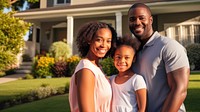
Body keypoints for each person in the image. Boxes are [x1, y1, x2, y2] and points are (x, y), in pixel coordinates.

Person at [128, 3, 190, 112]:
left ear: (151, 20)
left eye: (142, 18)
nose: (137, 22)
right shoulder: (133, 52)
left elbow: (179, 90)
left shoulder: (169, 46)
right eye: (132, 19)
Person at [69, 21, 117, 112]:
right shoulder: (86, 69)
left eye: (108, 41)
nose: (104, 45)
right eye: (99, 40)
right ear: (89, 40)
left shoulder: (96, 67)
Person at [110, 35, 147, 112]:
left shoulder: (136, 79)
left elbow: (142, 109)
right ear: (113, 58)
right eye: (118, 57)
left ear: (133, 59)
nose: (122, 61)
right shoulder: (111, 79)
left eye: (127, 57)